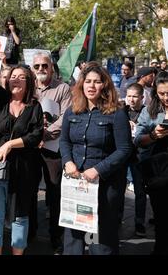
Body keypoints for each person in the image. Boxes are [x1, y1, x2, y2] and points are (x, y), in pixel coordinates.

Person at [60, 62, 132, 255]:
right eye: (88, 81)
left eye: (97, 82)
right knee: (74, 234)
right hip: (75, 183)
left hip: (104, 186)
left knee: (100, 239)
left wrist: (98, 169)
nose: (91, 86)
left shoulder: (116, 113)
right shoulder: (72, 111)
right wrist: (68, 162)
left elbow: (124, 149)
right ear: (81, 84)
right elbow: (64, 141)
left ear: (104, 86)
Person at [0, 37, 44, 255]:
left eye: (21, 77)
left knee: (20, 216)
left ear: (28, 82)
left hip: (22, 171)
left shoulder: (34, 107)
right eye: (12, 77)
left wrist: (10, 144)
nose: (15, 80)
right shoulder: (1, 100)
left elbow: (36, 136)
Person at [31, 52, 72, 254]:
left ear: (52, 68)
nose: (41, 69)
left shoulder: (62, 89)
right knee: (28, 190)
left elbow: (65, 117)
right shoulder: (28, 88)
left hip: (52, 149)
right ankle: (30, 233)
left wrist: (43, 135)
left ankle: (56, 237)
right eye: (37, 66)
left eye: (44, 66)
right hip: (30, 149)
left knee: (55, 192)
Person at [134, 71, 168, 254]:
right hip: (157, 172)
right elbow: (138, 139)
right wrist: (153, 135)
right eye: (162, 93)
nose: (166, 97)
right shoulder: (149, 111)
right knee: (161, 216)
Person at [123, 83, 147, 237]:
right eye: (129, 96)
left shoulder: (146, 112)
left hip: (139, 156)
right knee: (118, 190)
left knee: (140, 191)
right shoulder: (122, 111)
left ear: (142, 98)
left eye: (135, 96)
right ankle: (117, 217)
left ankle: (139, 222)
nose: (131, 100)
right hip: (123, 155)